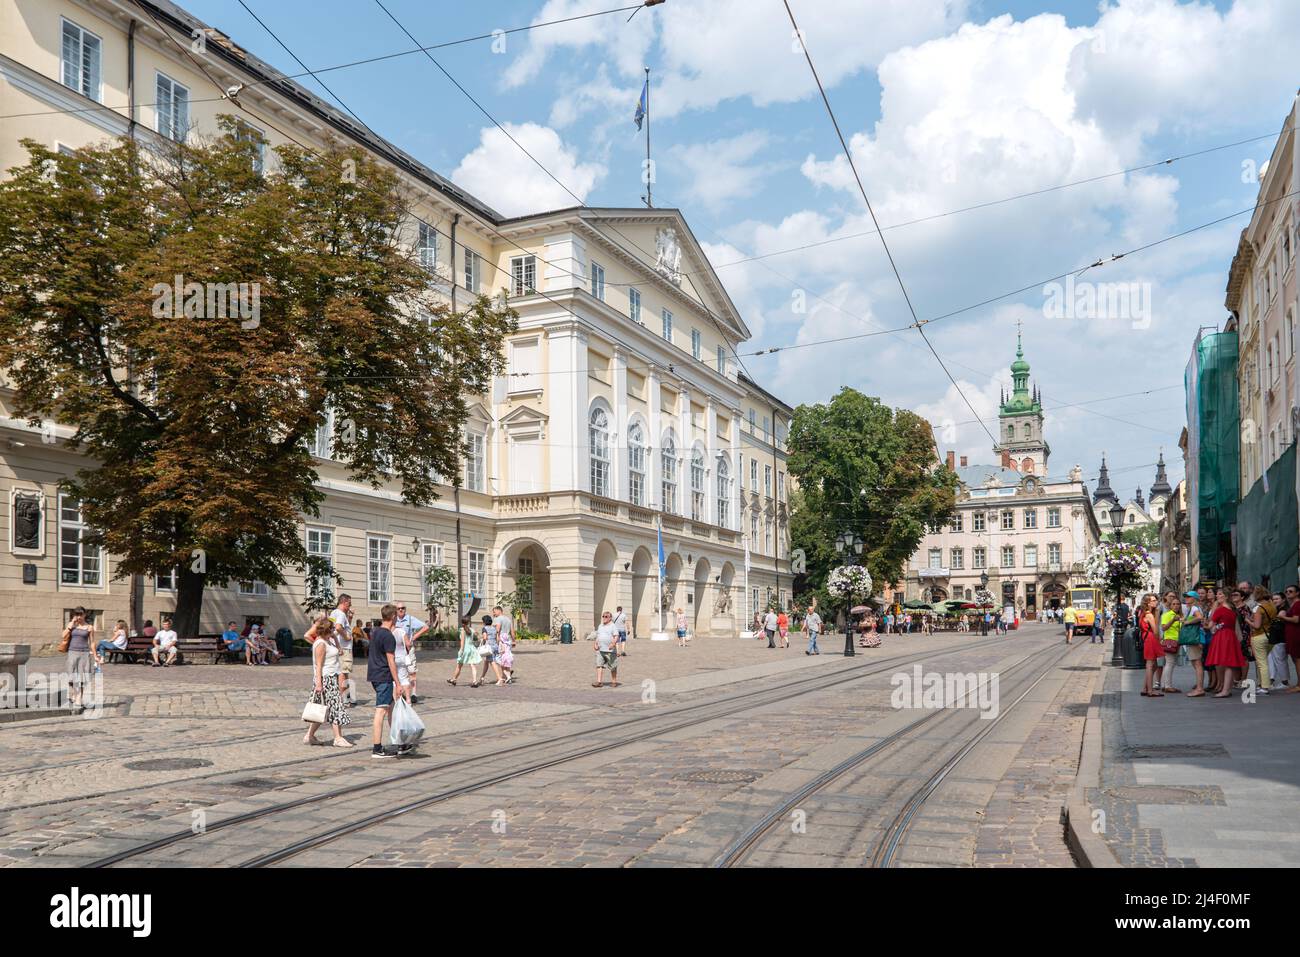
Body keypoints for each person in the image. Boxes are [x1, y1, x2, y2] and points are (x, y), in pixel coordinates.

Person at [304, 614, 352, 748]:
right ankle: (338, 738)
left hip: (332, 677)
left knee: (322, 710)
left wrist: (335, 638)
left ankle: (309, 736)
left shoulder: (328, 641)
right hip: (326, 679)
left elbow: (339, 651)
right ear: (325, 630)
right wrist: (319, 684)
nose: (333, 632)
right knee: (335, 707)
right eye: (331, 630)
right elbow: (318, 666)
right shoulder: (320, 643)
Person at [367, 604, 407, 759]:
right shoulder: (388, 636)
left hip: (375, 674)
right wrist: (398, 683)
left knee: (390, 708)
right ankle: (377, 748)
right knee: (381, 711)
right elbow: (391, 661)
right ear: (393, 617)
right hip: (383, 676)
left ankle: (399, 742)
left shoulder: (375, 632)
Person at [1206, 588, 1247, 697]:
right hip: (1230, 635)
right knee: (1229, 663)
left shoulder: (1220, 609)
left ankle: (1224, 689)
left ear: (1225, 596)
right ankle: (1226, 689)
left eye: (1220, 594)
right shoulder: (1232, 610)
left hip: (1222, 636)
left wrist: (1211, 617)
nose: (1217, 596)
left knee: (1224, 662)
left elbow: (1210, 625)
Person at [62, 608, 100, 712]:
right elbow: (63, 636)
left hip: (84, 653)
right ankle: (75, 694)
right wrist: (70, 625)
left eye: (81, 614)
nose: (79, 617)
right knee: (72, 676)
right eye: (77, 614)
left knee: (83, 676)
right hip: (72, 653)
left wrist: (95, 655)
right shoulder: (72, 625)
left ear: (84, 615)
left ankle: (79, 698)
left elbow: (92, 642)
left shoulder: (89, 627)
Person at [1245, 586, 1278, 694]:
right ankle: (1262, 684)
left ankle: (1264, 687)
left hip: (1259, 636)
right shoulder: (1272, 606)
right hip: (1271, 636)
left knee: (1261, 663)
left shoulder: (1258, 608)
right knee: (1263, 661)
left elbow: (1257, 625)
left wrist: (1247, 620)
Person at [392, 603, 427, 702]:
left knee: (412, 671)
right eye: (398, 608)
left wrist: (414, 637)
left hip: (408, 649)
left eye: (402, 608)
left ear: (405, 609)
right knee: (398, 671)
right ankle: (401, 692)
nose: (401, 610)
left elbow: (425, 627)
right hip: (396, 650)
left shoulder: (410, 619)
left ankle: (414, 694)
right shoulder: (393, 619)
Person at [330, 594, 357, 705]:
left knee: (341, 672)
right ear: (344, 602)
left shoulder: (333, 613)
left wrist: (350, 618)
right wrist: (346, 637)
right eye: (349, 603)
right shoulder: (341, 614)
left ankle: (345, 696)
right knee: (343, 672)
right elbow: (338, 627)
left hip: (335, 646)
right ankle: (342, 699)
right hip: (344, 648)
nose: (350, 606)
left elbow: (335, 627)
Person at [1180, 590, 1206, 697]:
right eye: (1185, 597)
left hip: (1195, 639)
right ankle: (1199, 686)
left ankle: (1199, 688)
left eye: (1189, 597)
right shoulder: (1192, 608)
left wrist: (1187, 622)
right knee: (1196, 663)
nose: (1186, 599)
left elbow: (1200, 618)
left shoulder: (1195, 608)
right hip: (1194, 639)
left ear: (1194, 599)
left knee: (1197, 663)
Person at [1158, 591, 1183, 693]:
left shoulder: (1179, 615)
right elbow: (1163, 628)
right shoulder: (1168, 615)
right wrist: (1173, 620)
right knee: (1169, 663)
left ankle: (1165, 685)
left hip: (1176, 641)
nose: (1176, 606)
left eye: (1178, 604)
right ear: (1170, 605)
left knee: (1169, 664)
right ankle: (1167, 686)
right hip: (1170, 641)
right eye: (1174, 604)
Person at [1138, 594, 1163, 697]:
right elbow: (1156, 630)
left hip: (1147, 637)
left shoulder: (1143, 613)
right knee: (1150, 664)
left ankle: (1145, 688)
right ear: (1147, 603)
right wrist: (1156, 615)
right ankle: (1150, 690)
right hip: (1151, 638)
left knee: (1153, 664)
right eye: (1152, 600)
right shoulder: (1149, 615)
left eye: (1155, 600)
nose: (1155, 602)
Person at [447, 617, 483, 687]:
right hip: (472, 649)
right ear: (468, 622)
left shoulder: (462, 630)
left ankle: (454, 679)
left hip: (465, 650)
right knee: (473, 665)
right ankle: (474, 681)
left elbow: (462, 642)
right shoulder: (471, 630)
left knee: (459, 665)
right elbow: (477, 635)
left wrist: (461, 651)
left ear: (462, 623)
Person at [1267, 591, 1290, 688]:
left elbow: (1277, 622)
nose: (1274, 601)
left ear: (1283, 599)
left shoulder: (1283, 610)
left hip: (1280, 638)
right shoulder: (1276, 609)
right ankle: (1271, 680)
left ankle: (1285, 682)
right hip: (1274, 638)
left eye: (1277, 599)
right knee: (1271, 659)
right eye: (1273, 599)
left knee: (1280, 659)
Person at [1279, 584, 1300, 694]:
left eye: (1291, 591)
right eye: (1286, 591)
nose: (1288, 593)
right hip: (1292, 635)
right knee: (1295, 659)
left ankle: (1299, 685)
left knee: (1297, 660)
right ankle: (1298, 684)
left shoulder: (1297, 604)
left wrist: (1283, 617)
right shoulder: (1292, 605)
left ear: (1297, 593)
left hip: (1296, 635)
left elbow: (1296, 620)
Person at [593, 610, 620, 687]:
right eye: (603, 616)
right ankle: (599, 682)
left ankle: (614, 682)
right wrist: (595, 644)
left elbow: (616, 636)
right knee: (599, 665)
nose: (604, 618)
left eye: (606, 616)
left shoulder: (613, 626)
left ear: (610, 618)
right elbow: (598, 636)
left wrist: (613, 643)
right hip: (600, 650)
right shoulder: (600, 626)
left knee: (613, 667)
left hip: (610, 651)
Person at [490, 605, 514, 681]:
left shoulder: (498, 619)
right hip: (508, 641)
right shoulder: (508, 619)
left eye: (494, 612)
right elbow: (512, 631)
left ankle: (506, 675)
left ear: (499, 610)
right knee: (507, 657)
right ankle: (505, 675)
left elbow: (497, 630)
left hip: (501, 640)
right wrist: (514, 640)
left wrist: (497, 640)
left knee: (501, 658)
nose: (494, 614)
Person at [480, 614, 504, 685]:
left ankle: (499, 679)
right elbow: (497, 639)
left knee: (492, 662)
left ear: (484, 622)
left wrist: (483, 643)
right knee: (486, 662)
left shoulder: (484, 628)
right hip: (495, 646)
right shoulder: (494, 628)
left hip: (489, 648)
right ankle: (482, 678)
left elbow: (485, 638)